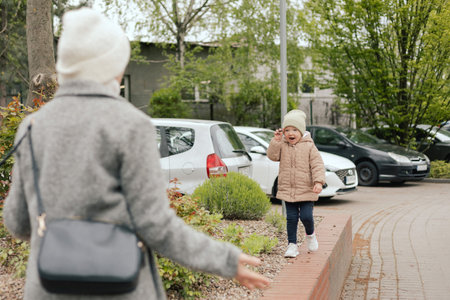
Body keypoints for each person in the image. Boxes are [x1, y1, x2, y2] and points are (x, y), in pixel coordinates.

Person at [3, 7, 270, 299]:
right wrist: (226, 260)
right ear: (109, 67)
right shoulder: (132, 126)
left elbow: (17, 221)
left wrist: (64, 231)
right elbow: (156, 225)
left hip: (48, 288)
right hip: (120, 287)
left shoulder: (32, 127)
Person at [267, 109, 325, 258]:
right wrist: (276, 141)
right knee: (291, 218)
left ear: (301, 131)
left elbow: (317, 165)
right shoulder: (283, 144)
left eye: (294, 130)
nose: (290, 133)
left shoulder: (309, 146)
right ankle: (292, 245)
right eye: (287, 130)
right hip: (288, 189)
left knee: (306, 216)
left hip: (306, 189)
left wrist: (318, 181)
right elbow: (273, 156)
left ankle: (310, 235)